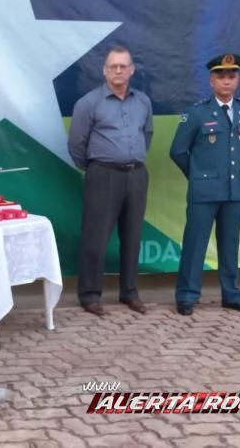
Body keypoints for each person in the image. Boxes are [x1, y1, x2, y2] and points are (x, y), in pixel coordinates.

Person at [170, 53, 240, 316]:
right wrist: (198, 175)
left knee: (230, 245)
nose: (226, 81)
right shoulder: (197, 113)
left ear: (238, 79)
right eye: (221, 76)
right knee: (195, 244)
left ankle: (232, 295)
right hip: (204, 192)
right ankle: (187, 295)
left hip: (234, 190)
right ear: (212, 81)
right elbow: (178, 151)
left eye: (232, 76)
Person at [68, 46, 154, 317]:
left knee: (132, 236)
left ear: (132, 70)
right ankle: (90, 295)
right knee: (95, 238)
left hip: (136, 175)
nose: (118, 70)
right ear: (104, 70)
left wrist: (130, 158)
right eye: (113, 66)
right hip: (103, 174)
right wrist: (97, 167)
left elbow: (147, 135)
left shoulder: (143, 102)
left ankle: (130, 292)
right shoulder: (88, 103)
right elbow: (76, 145)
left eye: (123, 66)